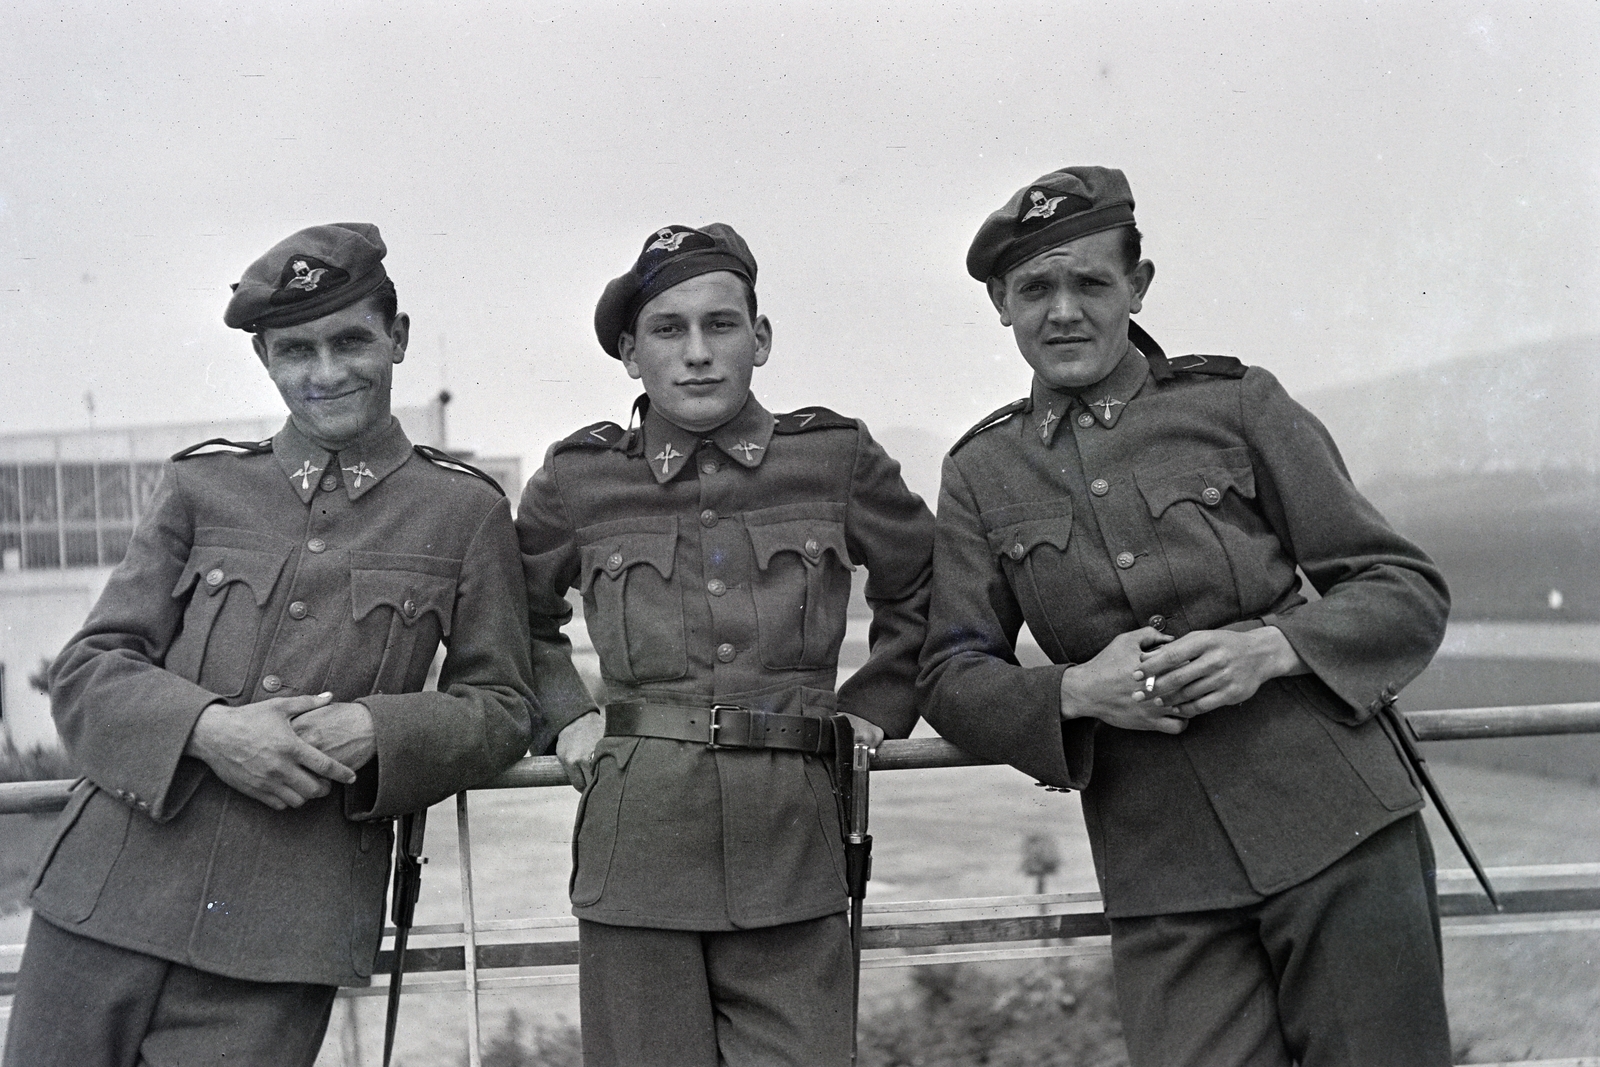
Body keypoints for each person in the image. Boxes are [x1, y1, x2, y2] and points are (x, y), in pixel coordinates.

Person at [919, 167, 1454, 1066]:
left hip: (1342, 831)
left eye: (1090, 282)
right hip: (1161, 874)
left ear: (1139, 285)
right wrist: (1073, 691)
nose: (1063, 311)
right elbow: (949, 672)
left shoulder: (1237, 405)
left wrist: (1274, 648)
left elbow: (1402, 586)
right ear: (1001, 307)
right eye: (1034, 290)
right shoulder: (981, 471)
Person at [5, 223, 537, 1067]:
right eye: (296, 350)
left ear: (398, 339)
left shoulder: (465, 512)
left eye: (351, 340)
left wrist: (379, 726)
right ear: (265, 359)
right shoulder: (202, 485)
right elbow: (88, 669)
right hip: (102, 900)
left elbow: (504, 704)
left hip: (284, 937)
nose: (325, 373)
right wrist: (213, 730)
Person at [515, 222, 934, 1067]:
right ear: (631, 354)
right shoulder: (578, 478)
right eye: (669, 331)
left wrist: (874, 709)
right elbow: (509, 616)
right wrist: (565, 717)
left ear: (762, 338)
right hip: (636, 856)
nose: (698, 353)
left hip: (795, 842)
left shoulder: (834, 458)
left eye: (722, 325)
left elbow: (927, 587)